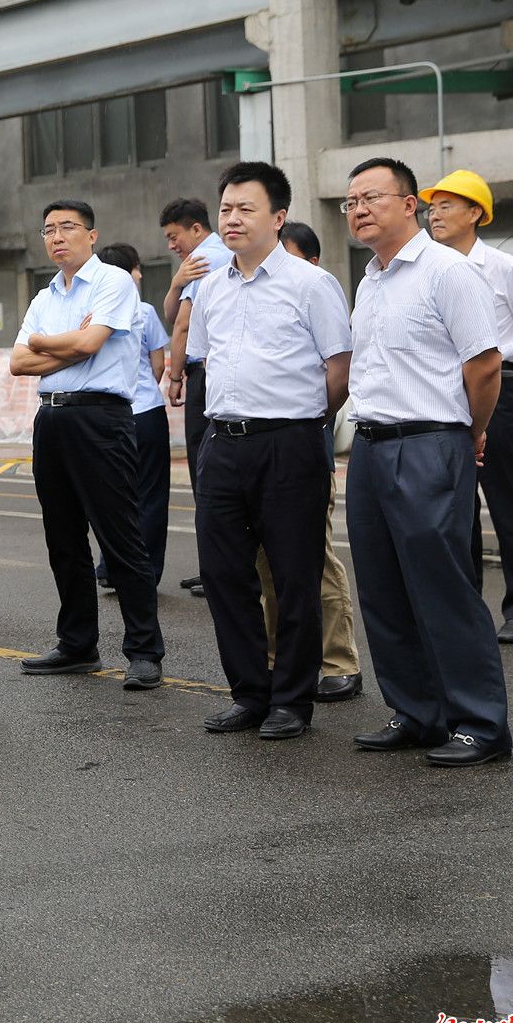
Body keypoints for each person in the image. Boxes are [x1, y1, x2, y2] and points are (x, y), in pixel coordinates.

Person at [341, 156, 511, 767]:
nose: (359, 209)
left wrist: (472, 432)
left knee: (443, 589)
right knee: (383, 590)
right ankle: (415, 712)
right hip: (370, 444)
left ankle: (481, 723)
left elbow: (485, 364)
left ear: (409, 203)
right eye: (350, 201)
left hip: (431, 442)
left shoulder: (447, 271)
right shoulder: (371, 278)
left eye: (372, 198)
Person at [180, 163, 352, 741]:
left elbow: (339, 371)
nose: (231, 218)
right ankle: (249, 693)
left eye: (244, 208)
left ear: (277, 217)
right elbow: (202, 360)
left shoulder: (310, 284)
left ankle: (292, 701)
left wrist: (301, 424)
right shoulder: (209, 288)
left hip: (290, 444)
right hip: (222, 445)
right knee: (224, 574)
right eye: (225, 208)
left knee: (293, 574)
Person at [11, 200, 165, 690]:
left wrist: (48, 344)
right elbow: (18, 362)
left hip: (101, 419)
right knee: (63, 538)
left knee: (120, 537)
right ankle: (77, 644)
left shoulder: (113, 282)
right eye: (48, 229)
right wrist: (61, 344)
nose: (57, 237)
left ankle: (144, 650)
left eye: (67, 228)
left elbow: (90, 344)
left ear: (91, 235)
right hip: (51, 418)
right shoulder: (45, 295)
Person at [423, 169, 513, 645]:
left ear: (475, 213)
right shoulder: (429, 268)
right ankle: (467, 604)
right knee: (456, 504)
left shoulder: (505, 268)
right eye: (432, 207)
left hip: (497, 391)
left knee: (505, 499)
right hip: (445, 393)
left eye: (447, 206)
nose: (434, 214)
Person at [265, 223, 364, 702]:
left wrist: (305, 426)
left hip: (304, 450)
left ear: (313, 262)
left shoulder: (317, 298)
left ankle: (339, 661)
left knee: (312, 560)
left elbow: (338, 376)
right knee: (266, 566)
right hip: (257, 456)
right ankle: (279, 659)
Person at [159, 197, 232, 596]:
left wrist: (174, 376)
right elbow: (173, 312)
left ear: (196, 230)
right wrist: (175, 282)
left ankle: (218, 569)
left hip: (206, 373)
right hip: (206, 372)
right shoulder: (201, 262)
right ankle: (212, 567)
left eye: (174, 236)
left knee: (207, 471)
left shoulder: (208, 260)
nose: (172, 246)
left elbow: (182, 324)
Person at [92, 243, 170, 592]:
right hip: (146, 412)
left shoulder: (92, 312)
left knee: (112, 495)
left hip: (107, 414)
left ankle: (110, 565)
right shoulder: (145, 311)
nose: (140, 275)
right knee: (150, 494)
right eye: (137, 269)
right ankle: (147, 571)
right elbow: (158, 364)